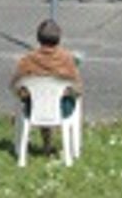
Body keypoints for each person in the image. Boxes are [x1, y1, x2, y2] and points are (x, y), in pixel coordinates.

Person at [11, 19, 83, 154]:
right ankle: (72, 148)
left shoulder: (28, 60)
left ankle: (39, 144)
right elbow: (77, 87)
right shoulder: (67, 60)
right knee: (69, 99)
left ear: (38, 38)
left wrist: (22, 94)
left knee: (36, 99)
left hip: (33, 108)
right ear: (59, 39)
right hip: (62, 109)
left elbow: (15, 84)